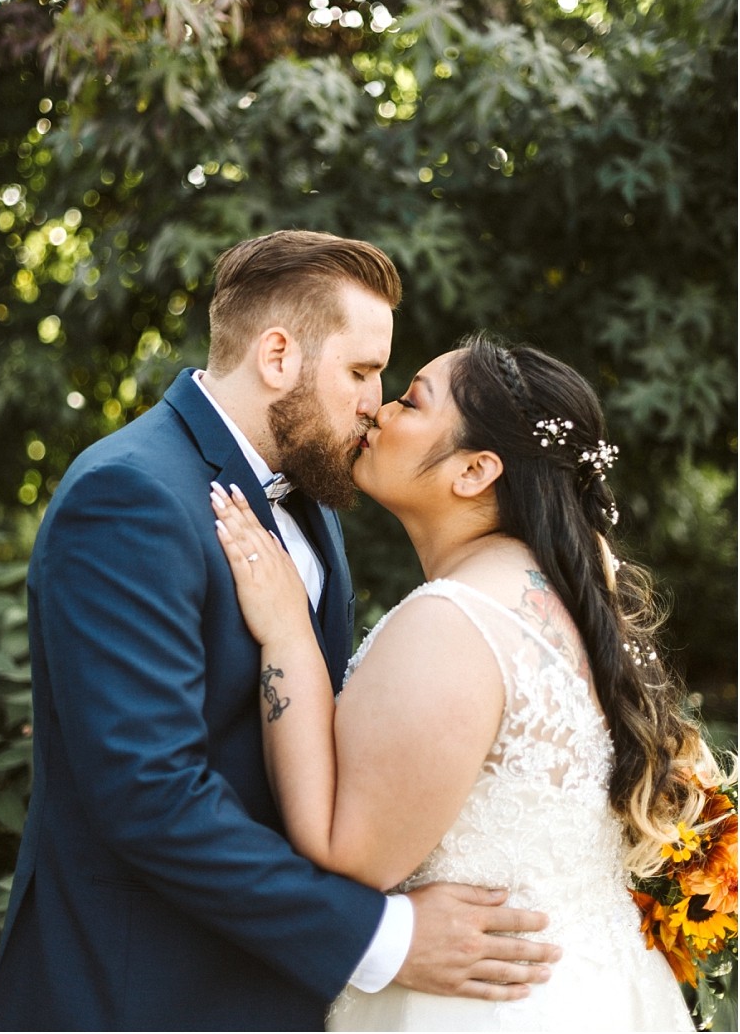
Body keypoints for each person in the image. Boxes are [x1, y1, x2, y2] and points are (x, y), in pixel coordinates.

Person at [0, 233, 560, 1033]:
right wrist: (385, 938)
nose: (375, 402)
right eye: (361, 371)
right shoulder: (129, 496)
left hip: (272, 995)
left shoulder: (314, 502)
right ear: (278, 356)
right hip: (138, 994)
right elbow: (151, 797)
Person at [210, 331, 724, 1032]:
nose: (381, 410)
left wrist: (288, 634)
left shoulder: (457, 621)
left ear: (474, 471)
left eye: (412, 403)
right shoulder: (566, 604)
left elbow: (344, 851)